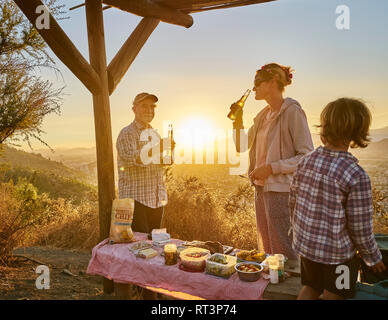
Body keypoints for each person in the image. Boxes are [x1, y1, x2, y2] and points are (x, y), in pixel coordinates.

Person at [290, 98, 386, 300]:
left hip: (307, 248)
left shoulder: (305, 161)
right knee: (335, 295)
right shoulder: (355, 175)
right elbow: (360, 228)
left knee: (310, 288)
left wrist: (298, 231)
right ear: (357, 132)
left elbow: (294, 202)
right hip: (338, 256)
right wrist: (372, 257)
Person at [231, 63, 314, 259]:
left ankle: (293, 289)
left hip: (282, 191)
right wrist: (237, 121)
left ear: (273, 82)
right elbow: (241, 146)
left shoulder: (292, 111)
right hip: (261, 189)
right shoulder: (262, 116)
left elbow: (307, 156)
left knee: (283, 249)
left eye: (258, 83)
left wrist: (271, 168)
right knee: (267, 248)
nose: (254, 88)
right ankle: (270, 287)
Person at [116, 92, 172, 299]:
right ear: (134, 109)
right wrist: (157, 149)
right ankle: (143, 289)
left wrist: (168, 154)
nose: (149, 110)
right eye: (145, 106)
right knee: (140, 247)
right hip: (136, 199)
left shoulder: (155, 134)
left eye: (152, 107)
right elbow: (132, 159)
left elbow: (164, 162)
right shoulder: (127, 133)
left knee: (155, 246)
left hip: (157, 197)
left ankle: (151, 289)